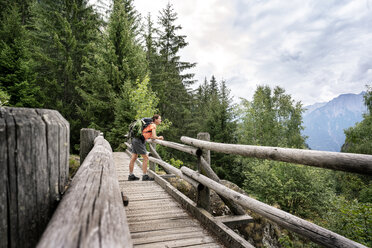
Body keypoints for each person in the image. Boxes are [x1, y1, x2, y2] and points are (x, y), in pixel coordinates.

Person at [128, 114, 164, 181]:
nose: (160, 120)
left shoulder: (148, 124)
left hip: (135, 139)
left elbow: (148, 134)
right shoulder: (153, 125)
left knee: (134, 157)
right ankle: (145, 176)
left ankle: (131, 175)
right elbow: (153, 136)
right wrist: (159, 137)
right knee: (146, 157)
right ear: (155, 120)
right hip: (139, 141)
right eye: (159, 119)